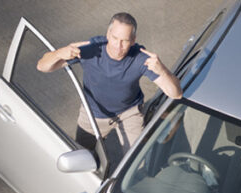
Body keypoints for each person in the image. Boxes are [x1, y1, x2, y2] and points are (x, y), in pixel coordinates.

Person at [37, 12, 182, 153]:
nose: (118, 46)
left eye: (124, 41)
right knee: (82, 155)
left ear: (133, 40)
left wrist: (162, 70)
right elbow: (42, 66)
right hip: (93, 113)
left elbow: (176, 94)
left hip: (128, 113)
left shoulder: (141, 58)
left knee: (135, 160)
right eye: (114, 38)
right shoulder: (90, 48)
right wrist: (59, 53)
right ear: (108, 34)